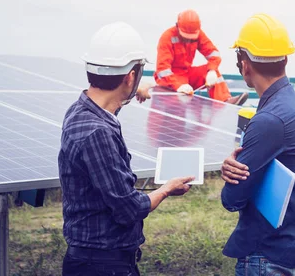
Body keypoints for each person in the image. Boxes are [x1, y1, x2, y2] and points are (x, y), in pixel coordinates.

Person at [59, 22, 194, 276]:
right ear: (131, 75)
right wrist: (166, 189)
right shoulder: (98, 133)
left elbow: (108, 106)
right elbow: (129, 209)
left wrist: (132, 92)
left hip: (91, 258)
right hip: (102, 264)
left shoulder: (80, 110)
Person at [220, 14, 295, 275]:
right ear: (285, 58)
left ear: (244, 65)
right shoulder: (294, 102)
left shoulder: (269, 119)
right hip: (288, 242)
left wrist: (230, 175)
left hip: (266, 255)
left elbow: (232, 198)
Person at [154, 9, 248, 105]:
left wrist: (211, 70)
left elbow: (214, 53)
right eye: (186, 37)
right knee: (181, 99)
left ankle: (225, 101)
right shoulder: (167, 37)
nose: (189, 41)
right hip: (171, 78)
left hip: (187, 73)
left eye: (192, 39)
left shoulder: (199, 34)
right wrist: (178, 86)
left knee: (214, 72)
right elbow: (162, 69)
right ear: (177, 26)